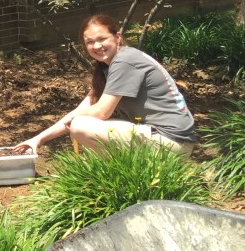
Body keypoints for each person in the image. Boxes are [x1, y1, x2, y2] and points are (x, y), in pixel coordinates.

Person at [15, 14, 197, 157]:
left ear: (117, 37)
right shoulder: (108, 66)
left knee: (82, 126)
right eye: (90, 42)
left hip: (172, 144)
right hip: (166, 139)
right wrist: (38, 139)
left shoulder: (125, 60)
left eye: (102, 39)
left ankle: (124, 175)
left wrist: (75, 121)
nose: (97, 45)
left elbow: (102, 112)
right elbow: (84, 108)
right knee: (82, 122)